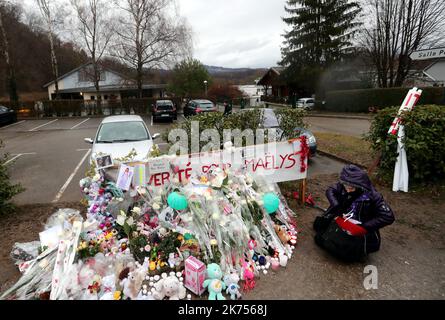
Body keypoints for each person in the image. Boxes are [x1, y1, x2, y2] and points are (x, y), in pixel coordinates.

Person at [313, 164, 395, 262]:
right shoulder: (345, 184)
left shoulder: (373, 196)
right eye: (345, 187)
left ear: (360, 185)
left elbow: (388, 216)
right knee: (320, 233)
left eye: (351, 188)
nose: (347, 190)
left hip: (360, 226)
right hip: (342, 219)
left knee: (343, 252)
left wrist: (364, 227)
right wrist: (336, 205)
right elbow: (330, 190)